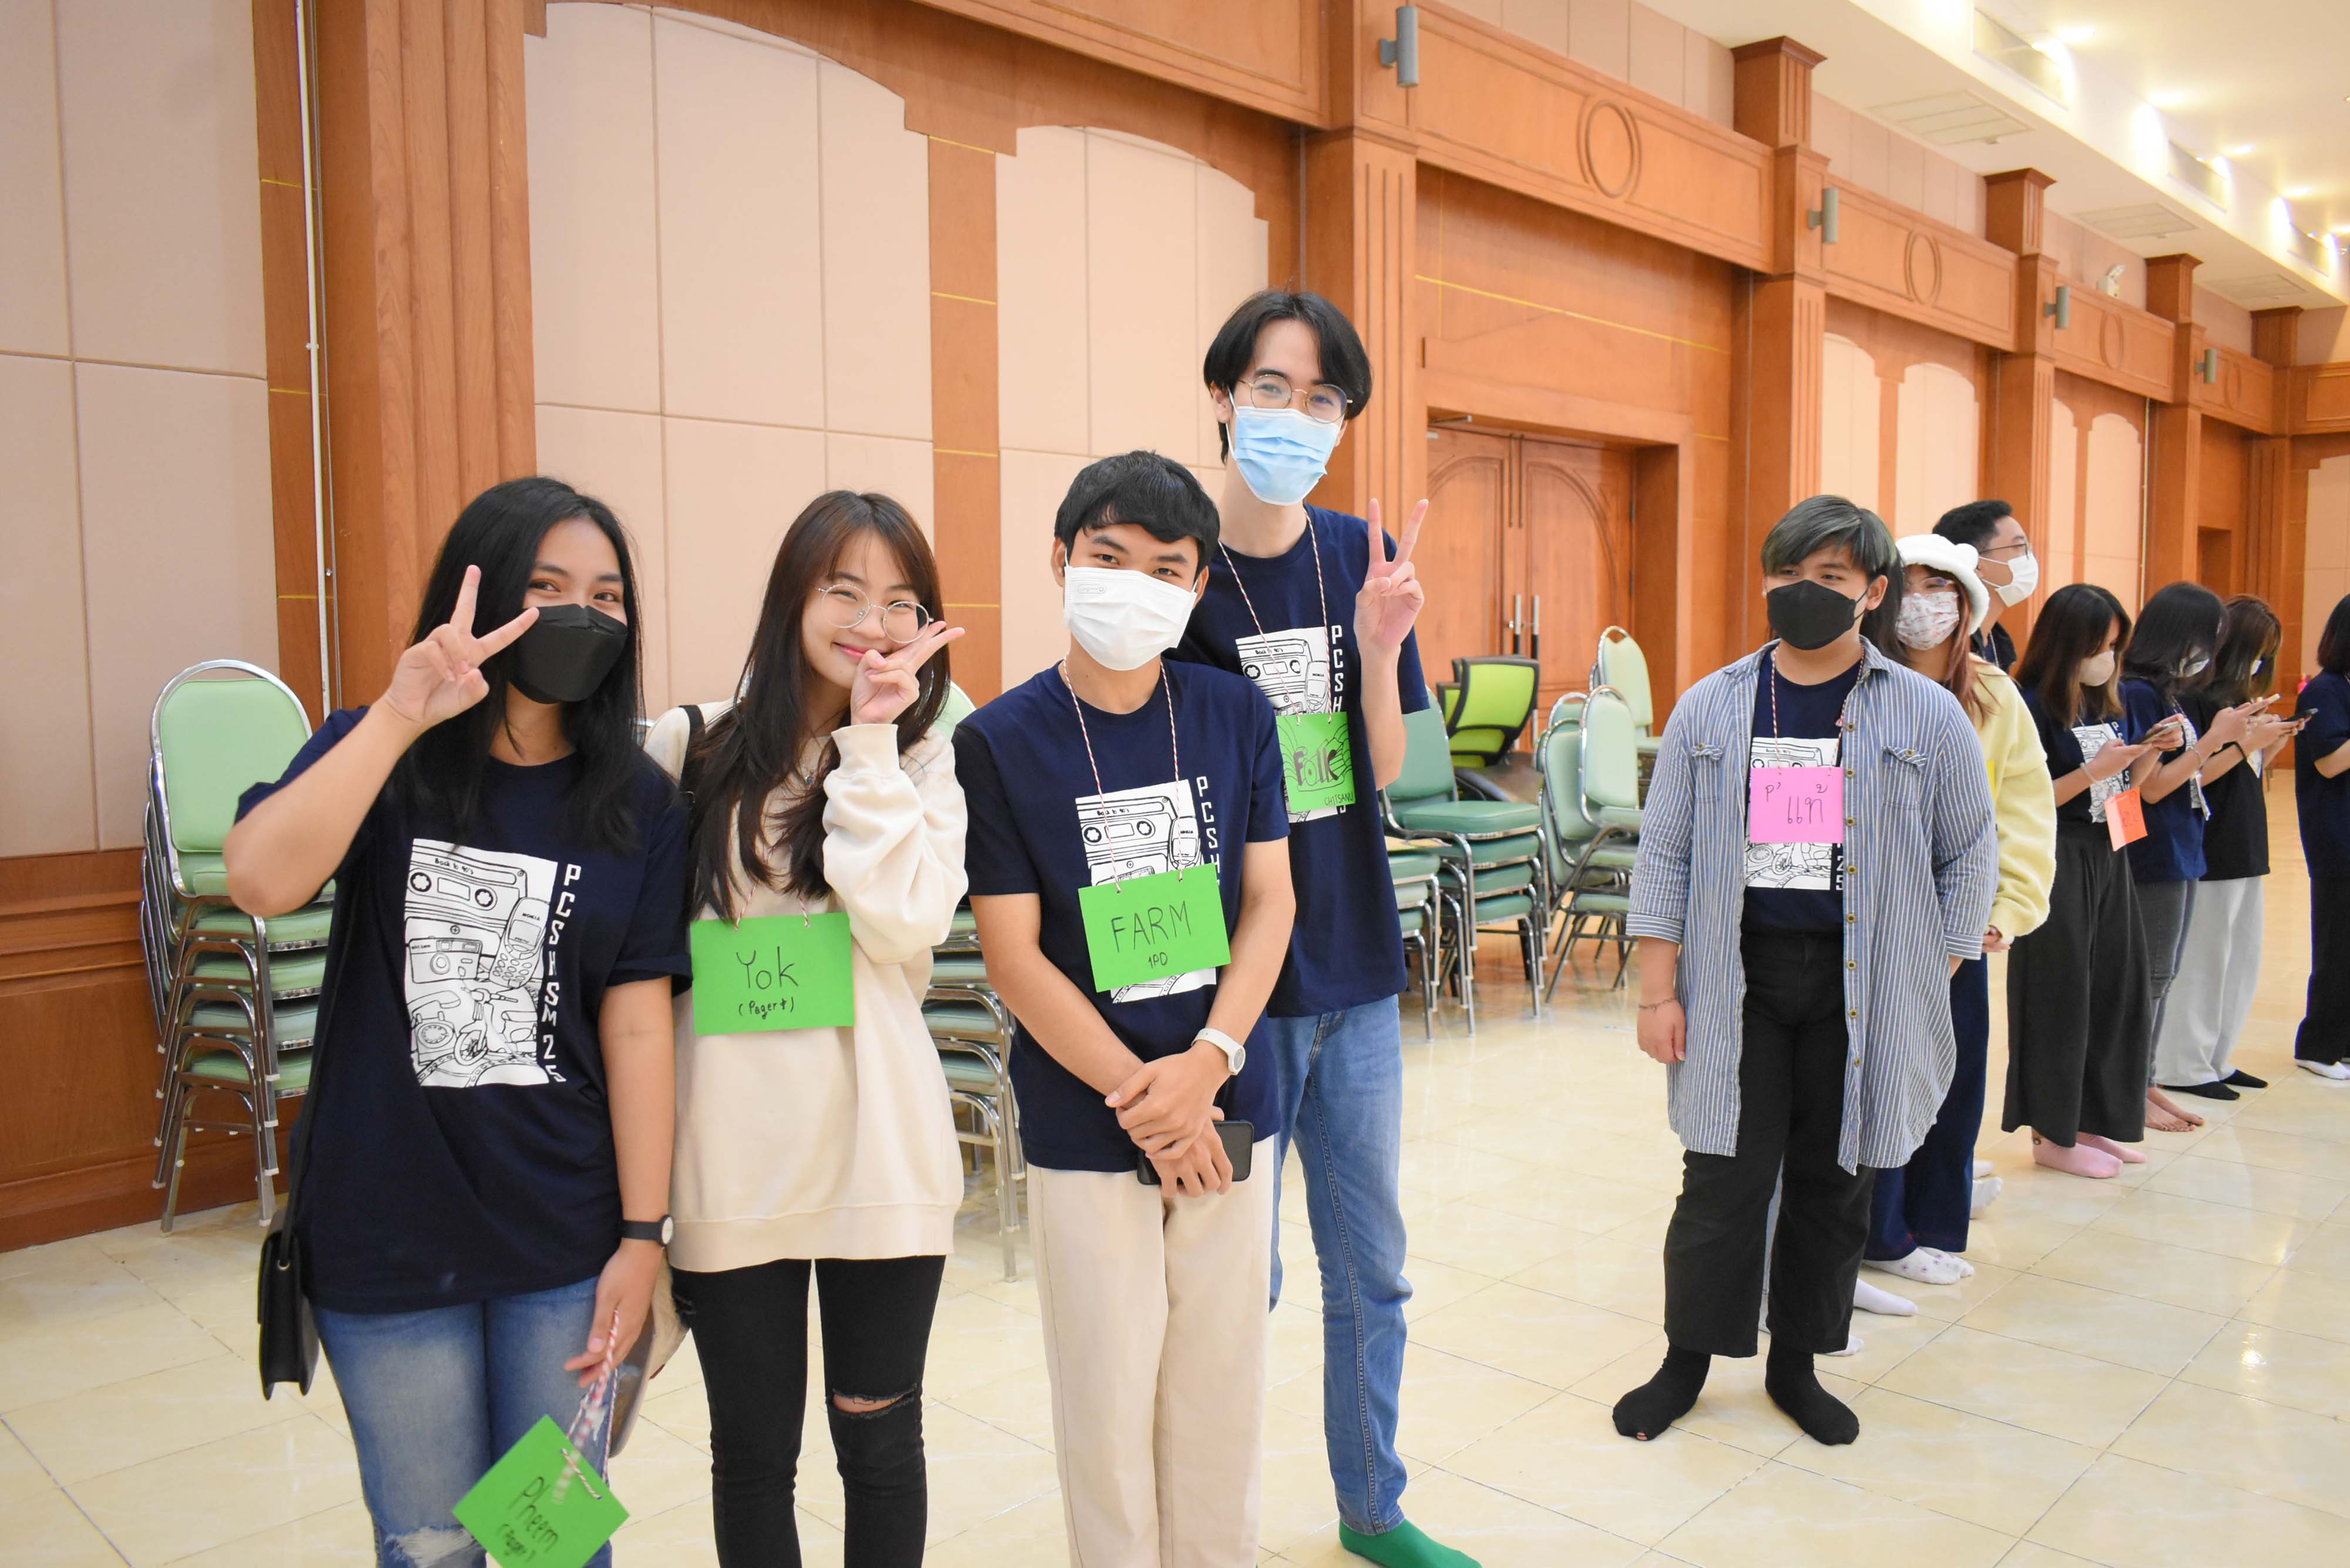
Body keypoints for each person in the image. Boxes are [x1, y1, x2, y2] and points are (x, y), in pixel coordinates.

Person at [224, 477, 688, 1568]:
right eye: (547, 588)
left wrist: (643, 1236)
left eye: (607, 595)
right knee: (432, 1545)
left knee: (551, 1546)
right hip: (387, 1228)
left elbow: (637, 1031)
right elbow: (260, 879)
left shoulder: (638, 802)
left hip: (565, 1236)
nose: (580, 615)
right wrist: (400, 716)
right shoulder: (382, 754)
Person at [955, 451, 1297, 1565]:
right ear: (1061, 560)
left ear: (1197, 587)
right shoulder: (1000, 740)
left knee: (1220, 1391)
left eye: (1165, 568)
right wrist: (1148, 1102)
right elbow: (1013, 957)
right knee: (1104, 1406)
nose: (1134, 584)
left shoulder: (1235, 712)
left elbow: (1271, 900)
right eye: (1109, 557)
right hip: (1087, 1115)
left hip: (1227, 1101)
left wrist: (1209, 1060)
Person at [1171, 290, 1465, 1568]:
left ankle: (1374, 1508)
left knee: (1371, 1265)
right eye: (1273, 387)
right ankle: (1205, 1525)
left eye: (1325, 396)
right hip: (1230, 993)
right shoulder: (1175, 565)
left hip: (1350, 963)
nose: (1298, 414)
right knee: (1236, 1277)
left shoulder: (1360, 552)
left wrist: (1380, 643)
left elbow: (1384, 769)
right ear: (1223, 396)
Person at [1613, 495, 1998, 1448]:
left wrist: (1931, 967)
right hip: (1735, 979)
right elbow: (1664, 853)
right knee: (1721, 1180)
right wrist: (1657, 992)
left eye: (1829, 576)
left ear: (1873, 591)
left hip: (1862, 985)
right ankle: (1687, 1359)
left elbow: (1971, 851)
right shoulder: (1713, 705)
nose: (1803, 591)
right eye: (1788, 573)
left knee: (1835, 1181)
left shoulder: (1923, 711)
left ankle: (1798, 1362)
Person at [644, 492, 966, 1567]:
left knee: (880, 1449)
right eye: (843, 591)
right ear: (793, 596)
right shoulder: (691, 746)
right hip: (730, 1157)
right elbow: (635, 970)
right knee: (751, 1458)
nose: (871, 623)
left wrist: (869, 742)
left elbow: (904, 920)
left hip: (880, 1147)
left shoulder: (922, 761)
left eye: (900, 601)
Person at [1851, 535, 2053, 1317]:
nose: (1924, 602)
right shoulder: (1854, 681)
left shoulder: (1993, 695)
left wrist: (2006, 911)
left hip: (1960, 925)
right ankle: (1877, 1233)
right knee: (1875, 1081)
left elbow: (2024, 810)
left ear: (1966, 606)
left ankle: (1928, 1225)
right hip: (1871, 922)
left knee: (1952, 1078)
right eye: (1910, 585)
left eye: (1940, 587)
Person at [2001, 585, 2177, 1177]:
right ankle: (2051, 1131)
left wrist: (2149, 754)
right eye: (2100, 646)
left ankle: (2091, 1119)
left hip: (2109, 851)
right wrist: (2090, 772)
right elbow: (2026, 799)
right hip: (2058, 854)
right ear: (2069, 643)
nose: (2109, 658)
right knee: (2060, 994)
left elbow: (2121, 790)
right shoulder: (2030, 705)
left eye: (2114, 647)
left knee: (2114, 989)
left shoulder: (2104, 703)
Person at [2119, 583, 2263, 1133]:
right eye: (2210, 637)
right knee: (2151, 976)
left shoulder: (2169, 693)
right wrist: (2216, 740)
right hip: (2152, 852)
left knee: (2164, 974)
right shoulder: (2139, 693)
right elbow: (2152, 786)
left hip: (2181, 846)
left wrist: (2234, 741)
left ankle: (2146, 1080)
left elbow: (2187, 778)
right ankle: (2134, 1087)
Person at [2154, 595, 2297, 1101]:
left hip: (2246, 839)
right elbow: (2195, 774)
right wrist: (2243, 743)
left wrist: (2269, 743)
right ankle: (2184, 1063)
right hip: (2213, 841)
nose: (2261, 662)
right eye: (2257, 650)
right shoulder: (2196, 699)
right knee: (2204, 958)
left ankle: (2217, 1055)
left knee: (2240, 957)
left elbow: (2242, 770)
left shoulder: (2240, 698)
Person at [2294, 594, 2350, 1080]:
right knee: (2337, 947)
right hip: (2338, 840)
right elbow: (2329, 762)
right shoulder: (2324, 690)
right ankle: (2318, 1045)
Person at [1933, 499, 2036, 670]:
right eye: (2019, 546)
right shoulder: (1945, 644)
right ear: (1978, 564)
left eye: (2028, 548)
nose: (2029, 558)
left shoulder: (2000, 643)